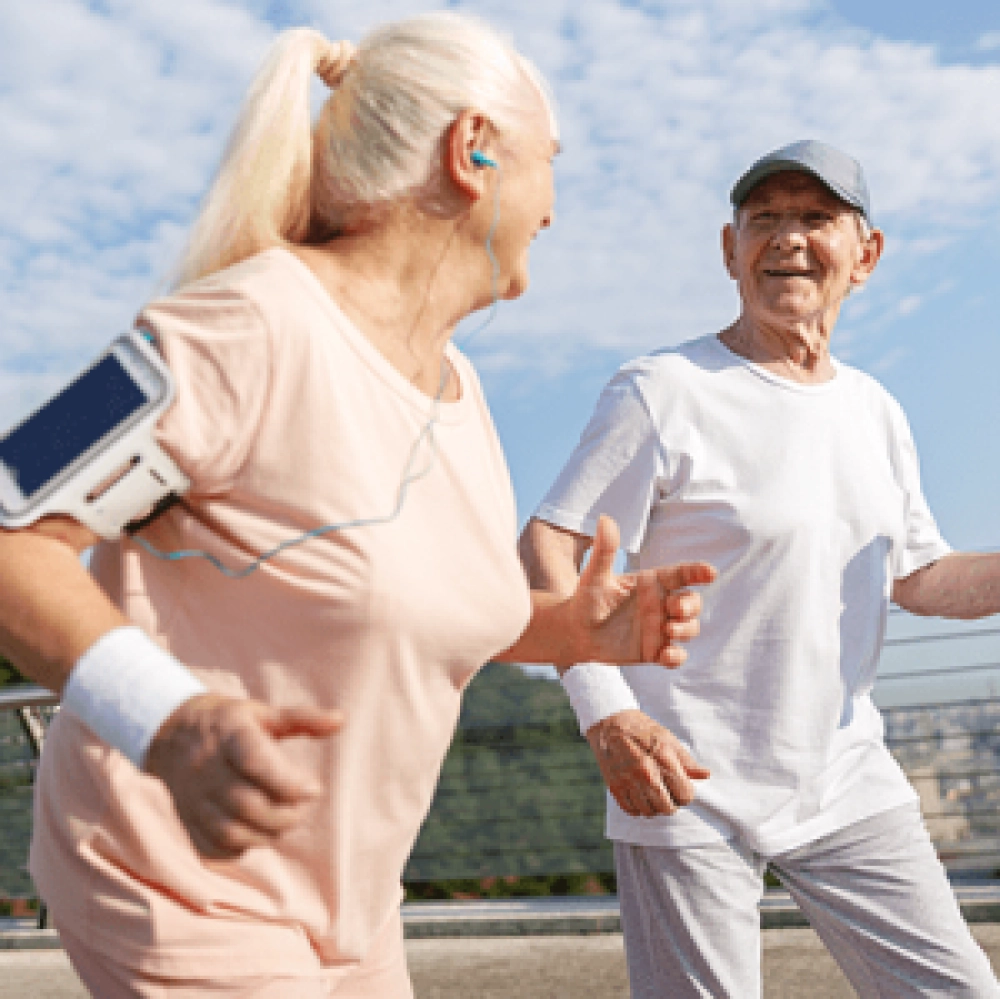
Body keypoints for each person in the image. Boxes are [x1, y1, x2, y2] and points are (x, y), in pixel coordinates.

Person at [0, 14, 712, 998]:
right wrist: (168, 721)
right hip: (179, 886)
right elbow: (8, 518)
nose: (555, 202)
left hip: (351, 908)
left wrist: (566, 630)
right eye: (550, 161)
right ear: (474, 153)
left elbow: (388, 602)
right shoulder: (237, 327)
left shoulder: (458, 389)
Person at [520, 139, 1000, 997]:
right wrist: (608, 717)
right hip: (685, 784)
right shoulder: (661, 390)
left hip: (846, 778)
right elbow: (551, 546)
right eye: (764, 219)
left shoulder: (876, 411)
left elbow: (920, 575)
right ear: (729, 248)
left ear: (867, 253)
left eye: (816, 218)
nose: (787, 238)